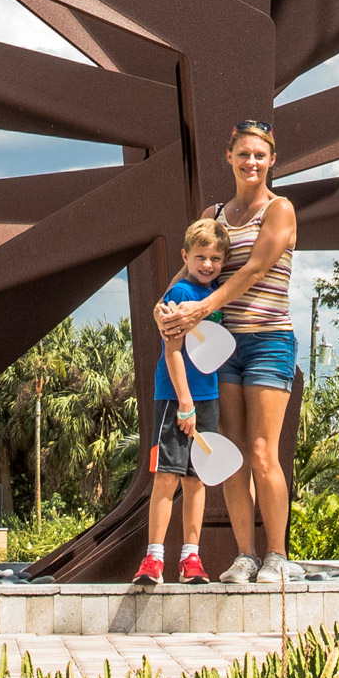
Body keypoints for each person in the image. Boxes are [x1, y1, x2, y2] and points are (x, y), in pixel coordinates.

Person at [163, 118, 301, 582]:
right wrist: (163, 309)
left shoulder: (280, 210)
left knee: (264, 451)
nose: (251, 162)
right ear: (229, 158)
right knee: (236, 451)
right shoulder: (215, 213)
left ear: (272, 160)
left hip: (268, 340)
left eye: (260, 155)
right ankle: (245, 554)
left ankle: (277, 556)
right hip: (221, 350)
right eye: (243, 154)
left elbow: (256, 269)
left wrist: (199, 310)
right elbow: (192, 268)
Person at [137, 218, 232, 586]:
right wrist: (185, 404)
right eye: (200, 257)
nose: (207, 265)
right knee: (167, 477)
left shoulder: (216, 294)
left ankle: (191, 558)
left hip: (208, 396)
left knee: (197, 481)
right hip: (176, 399)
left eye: (215, 258)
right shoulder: (180, 294)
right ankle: (153, 559)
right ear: (185, 257)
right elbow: (173, 351)